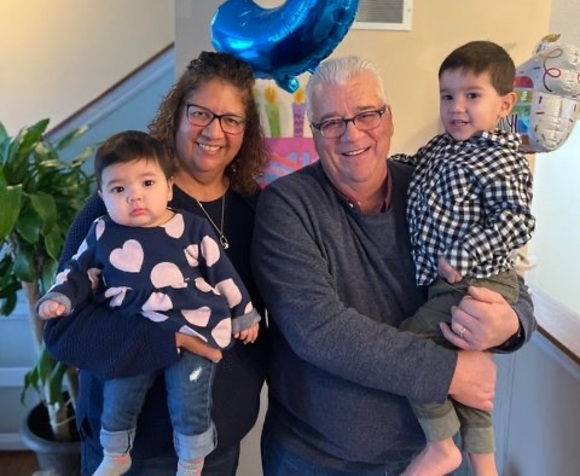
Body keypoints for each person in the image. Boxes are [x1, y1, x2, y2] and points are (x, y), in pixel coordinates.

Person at [251, 55, 536, 475]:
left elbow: (504, 268)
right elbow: (318, 330)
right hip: (318, 460)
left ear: (388, 119)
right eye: (331, 122)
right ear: (314, 133)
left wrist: (512, 323)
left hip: (432, 455)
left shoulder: (431, 183)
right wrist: (450, 373)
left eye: (366, 114)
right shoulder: (286, 205)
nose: (352, 134)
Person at [44, 51, 270, 476]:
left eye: (231, 119)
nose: (214, 131)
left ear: (246, 129)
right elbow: (62, 331)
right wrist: (171, 340)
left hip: (216, 448)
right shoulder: (120, 204)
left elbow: (262, 311)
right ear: (177, 114)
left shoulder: (255, 207)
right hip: (130, 453)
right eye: (200, 113)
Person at [393, 41, 535, 476]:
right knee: (467, 373)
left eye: (472, 95)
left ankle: (441, 445)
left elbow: (517, 220)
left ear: (504, 104)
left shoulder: (501, 157)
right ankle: (484, 464)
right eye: (447, 96)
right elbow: (409, 167)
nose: (457, 107)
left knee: (411, 344)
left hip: (479, 280)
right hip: (448, 284)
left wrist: (463, 252)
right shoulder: (440, 148)